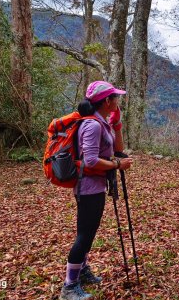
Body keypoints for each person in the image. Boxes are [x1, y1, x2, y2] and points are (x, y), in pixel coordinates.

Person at [60, 81, 133, 300]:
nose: (118, 101)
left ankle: (82, 272)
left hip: (95, 185)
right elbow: (90, 160)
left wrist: (117, 124)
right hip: (88, 187)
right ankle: (69, 287)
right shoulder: (92, 125)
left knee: (87, 232)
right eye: (115, 98)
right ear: (107, 101)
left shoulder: (102, 122)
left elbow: (117, 149)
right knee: (85, 235)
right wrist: (117, 165)